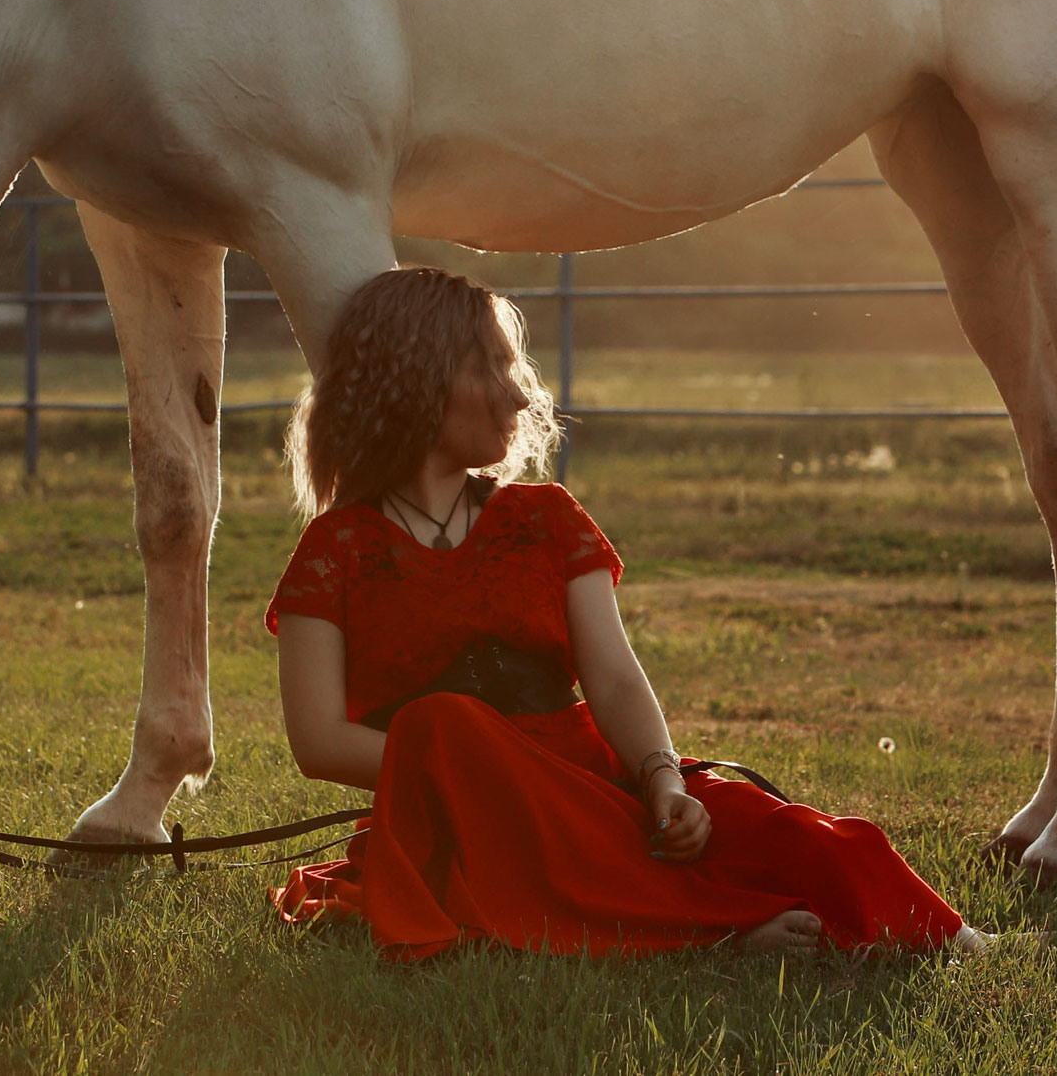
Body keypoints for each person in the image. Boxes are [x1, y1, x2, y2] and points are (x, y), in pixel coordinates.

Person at [266, 265, 983, 961]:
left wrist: (663, 780)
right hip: (461, 813)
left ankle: (963, 941)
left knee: (787, 831)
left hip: (592, 778)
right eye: (488, 366)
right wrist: (475, 778)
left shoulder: (547, 517)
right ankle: (717, 932)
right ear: (415, 378)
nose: (519, 397)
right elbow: (319, 740)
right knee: (444, 720)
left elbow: (613, 680)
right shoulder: (338, 545)